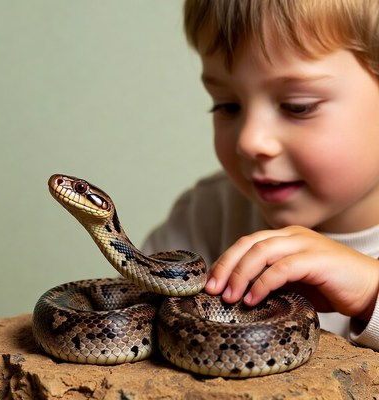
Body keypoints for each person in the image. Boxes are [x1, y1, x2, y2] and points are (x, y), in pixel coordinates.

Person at [142, 0, 379, 349]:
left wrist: (370, 291)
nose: (250, 141)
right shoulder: (203, 218)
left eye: (298, 106)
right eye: (227, 105)